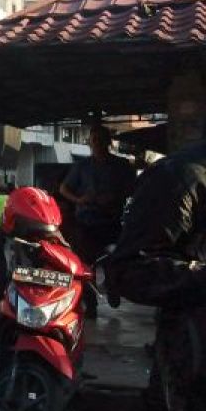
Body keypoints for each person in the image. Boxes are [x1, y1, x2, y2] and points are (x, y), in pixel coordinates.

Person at [78, 138, 206, 411]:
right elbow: (131, 269)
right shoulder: (180, 176)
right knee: (159, 404)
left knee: (154, 407)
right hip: (195, 352)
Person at [60, 124, 135, 318]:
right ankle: (90, 304)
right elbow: (64, 189)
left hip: (111, 222)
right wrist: (79, 199)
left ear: (108, 142)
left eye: (100, 140)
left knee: (117, 259)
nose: (96, 144)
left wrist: (114, 197)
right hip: (86, 223)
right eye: (93, 140)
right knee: (86, 266)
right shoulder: (81, 166)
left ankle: (113, 286)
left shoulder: (121, 165)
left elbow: (133, 189)